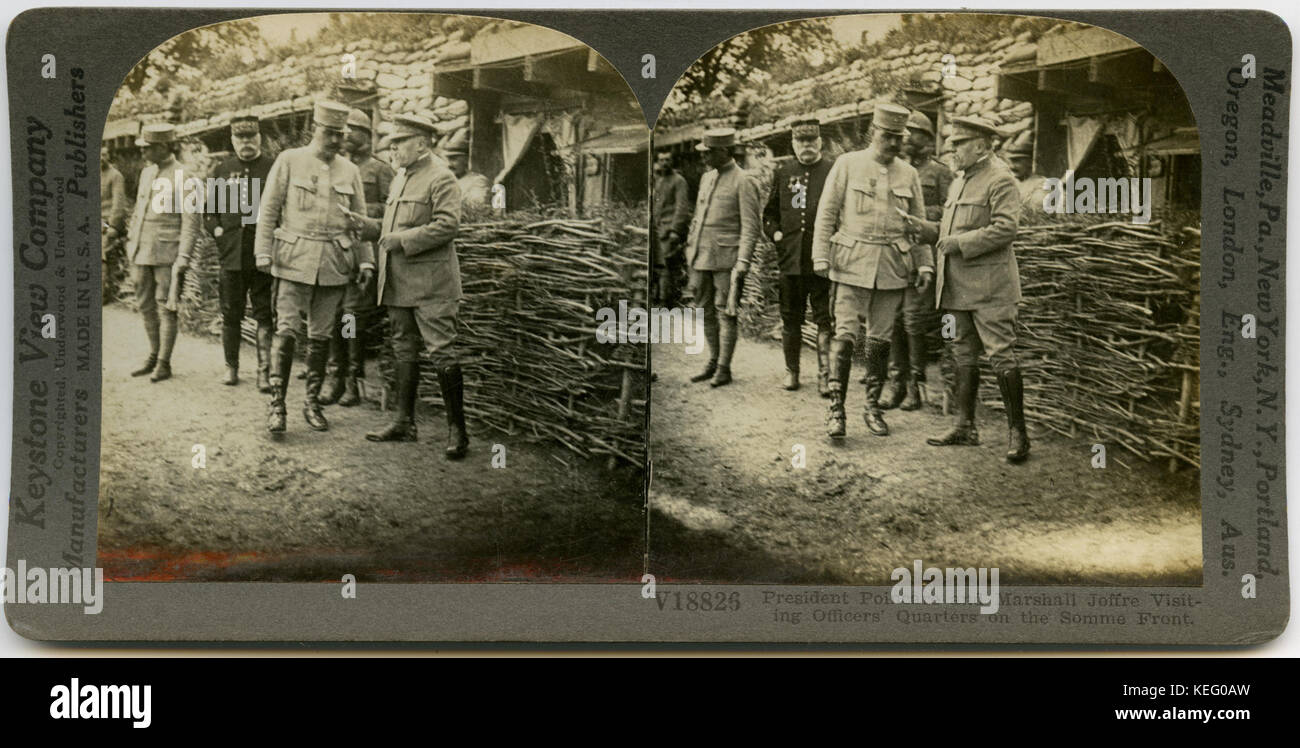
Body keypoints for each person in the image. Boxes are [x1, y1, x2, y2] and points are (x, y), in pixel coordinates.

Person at [904, 116, 1029, 463]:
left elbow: (1006, 230)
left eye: (958, 144)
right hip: (956, 288)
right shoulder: (960, 181)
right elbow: (947, 232)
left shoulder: (1001, 179)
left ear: (980, 144)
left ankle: (1018, 433)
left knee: (1001, 354)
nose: (952, 150)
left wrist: (959, 243)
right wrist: (922, 229)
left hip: (990, 288)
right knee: (962, 355)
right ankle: (965, 426)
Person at [347, 114, 469, 459]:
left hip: (432, 284)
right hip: (398, 282)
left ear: (421, 143)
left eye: (399, 142)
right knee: (403, 350)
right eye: (392, 143)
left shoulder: (441, 177)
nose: (393, 148)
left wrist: (401, 240)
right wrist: (365, 226)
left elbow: (448, 227)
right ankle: (403, 422)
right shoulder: (402, 178)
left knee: (442, 352)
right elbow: (389, 228)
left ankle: (458, 431)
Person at [811, 102, 932, 439]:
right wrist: (821, 256)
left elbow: (918, 226)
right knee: (846, 336)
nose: (893, 143)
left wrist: (925, 264)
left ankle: (872, 406)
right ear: (873, 133)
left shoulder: (909, 174)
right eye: (887, 136)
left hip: (892, 266)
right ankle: (836, 409)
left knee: (879, 340)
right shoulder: (847, 164)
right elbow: (826, 212)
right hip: (851, 263)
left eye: (898, 138)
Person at [254, 100, 374, 435]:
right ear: (315, 130)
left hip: (334, 263)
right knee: (287, 331)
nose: (336, 140)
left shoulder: (349, 171)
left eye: (341, 134)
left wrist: (366, 259)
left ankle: (312, 403)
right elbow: (269, 209)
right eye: (330, 133)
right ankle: (277, 404)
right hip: (293, 260)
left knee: (321, 336)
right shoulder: (290, 160)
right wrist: (263, 252)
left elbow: (359, 222)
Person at [178, 112, 276, 390]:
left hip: (263, 255)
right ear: (233, 140)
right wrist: (218, 232)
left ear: (260, 138)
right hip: (231, 255)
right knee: (231, 313)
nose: (246, 142)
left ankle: (264, 371)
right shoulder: (222, 170)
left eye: (251, 136)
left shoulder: (273, 167)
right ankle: (231, 367)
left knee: (264, 314)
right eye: (240, 137)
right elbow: (210, 213)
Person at [319, 108, 395, 407]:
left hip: (366, 255)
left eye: (354, 130)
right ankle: (335, 377)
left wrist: (363, 213)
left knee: (351, 316)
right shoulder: (338, 169)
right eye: (343, 131)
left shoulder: (380, 169)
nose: (347, 136)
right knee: (335, 315)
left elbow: (393, 211)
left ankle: (353, 379)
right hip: (339, 253)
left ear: (367, 134)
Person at [881, 109, 954, 411]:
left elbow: (950, 216)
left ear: (928, 138)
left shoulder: (940, 172)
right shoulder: (896, 171)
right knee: (894, 320)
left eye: (916, 133)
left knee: (913, 321)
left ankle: (916, 387)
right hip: (897, 256)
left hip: (924, 255)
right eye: (906, 133)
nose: (909, 139)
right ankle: (896, 384)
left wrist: (922, 219)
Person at [759, 117, 834, 395]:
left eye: (811, 141)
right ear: (793, 144)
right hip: (790, 260)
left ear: (820, 142)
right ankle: (792, 372)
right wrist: (776, 234)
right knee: (791, 318)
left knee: (825, 319)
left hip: (822, 259)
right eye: (801, 142)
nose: (807, 146)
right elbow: (769, 215)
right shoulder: (784, 172)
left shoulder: (832, 171)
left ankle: (825, 376)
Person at [684, 128, 762, 388]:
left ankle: (724, 368)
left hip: (727, 260)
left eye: (709, 152)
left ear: (725, 151)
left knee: (725, 313)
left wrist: (743, 262)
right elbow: (698, 218)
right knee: (703, 311)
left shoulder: (744, 180)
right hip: (701, 256)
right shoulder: (707, 178)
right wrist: (690, 250)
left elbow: (751, 227)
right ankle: (713, 360)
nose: (704, 157)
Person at [124, 123, 199, 383]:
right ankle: (154, 355)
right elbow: (138, 211)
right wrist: (130, 242)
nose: (143, 153)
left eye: (148, 148)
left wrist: (184, 259)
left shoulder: (185, 177)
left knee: (166, 308)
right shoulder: (147, 173)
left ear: (164, 147)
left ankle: (164, 363)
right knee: (145, 306)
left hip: (167, 254)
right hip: (140, 251)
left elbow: (191, 223)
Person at [652, 149, 691, 308]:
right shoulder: (659, 180)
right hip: (658, 229)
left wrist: (675, 230)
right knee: (657, 265)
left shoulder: (679, 181)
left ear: (672, 161)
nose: (664, 163)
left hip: (669, 230)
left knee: (666, 265)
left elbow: (681, 207)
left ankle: (664, 301)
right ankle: (657, 297)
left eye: (667, 160)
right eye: (662, 160)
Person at [100, 146, 129, 302]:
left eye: (104, 154)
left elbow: (118, 205)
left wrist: (112, 226)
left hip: (108, 223)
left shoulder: (115, 176)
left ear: (108, 156)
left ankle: (102, 293)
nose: (100, 158)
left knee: (100, 252)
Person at [440, 129, 491, 210]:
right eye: (447, 159)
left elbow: (476, 207)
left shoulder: (478, 181)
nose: (449, 164)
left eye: (454, 159)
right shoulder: (443, 181)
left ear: (466, 160)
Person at [1004, 139, 1047, 218]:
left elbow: (1037, 217)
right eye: (1010, 161)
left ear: (1031, 161)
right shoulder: (1014, 183)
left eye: (1017, 161)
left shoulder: (1042, 187)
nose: (1011, 166)